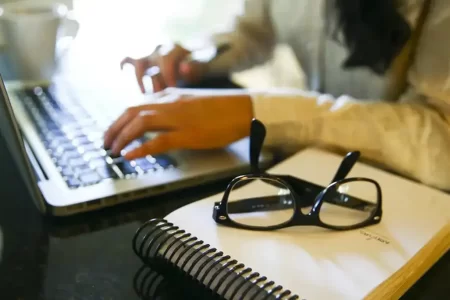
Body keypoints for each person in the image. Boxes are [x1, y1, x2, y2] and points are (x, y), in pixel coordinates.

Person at [103, 0, 450, 191]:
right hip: (318, 172)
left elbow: (443, 135)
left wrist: (261, 112)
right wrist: (194, 57)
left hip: (405, 196)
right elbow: (254, 29)